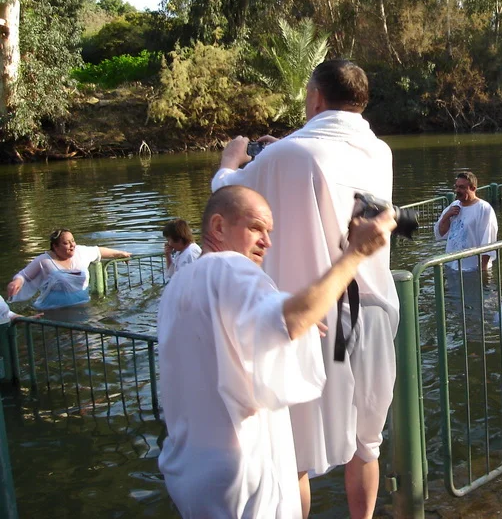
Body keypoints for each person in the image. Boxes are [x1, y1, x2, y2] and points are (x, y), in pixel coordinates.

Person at [211, 59, 398, 519]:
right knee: (367, 444)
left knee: (293, 453)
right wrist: (284, 149)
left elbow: (229, 198)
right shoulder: (380, 152)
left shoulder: (288, 156)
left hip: (316, 319)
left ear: (315, 97)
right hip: (372, 314)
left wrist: (229, 162)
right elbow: (322, 162)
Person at [158, 185, 395, 518]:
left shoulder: (178, 286)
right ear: (219, 227)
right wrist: (355, 253)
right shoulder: (229, 267)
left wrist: (290, 328)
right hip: (243, 479)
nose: (267, 242)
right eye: (256, 227)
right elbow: (291, 321)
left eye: (269, 231)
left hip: (193, 472)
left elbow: (226, 351)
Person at [6, 228, 131, 310]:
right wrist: (16, 282)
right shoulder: (45, 260)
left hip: (81, 307)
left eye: (73, 241)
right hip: (52, 310)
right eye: (66, 243)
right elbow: (24, 275)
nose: (72, 245)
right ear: (55, 247)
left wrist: (121, 253)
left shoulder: (81, 252)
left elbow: (99, 251)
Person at [434, 171, 499, 272]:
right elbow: (441, 232)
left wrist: (483, 270)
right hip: (451, 266)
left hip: (473, 268)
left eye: (462, 187)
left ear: (473, 188)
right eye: (456, 187)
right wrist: (446, 216)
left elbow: (488, 240)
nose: (457, 190)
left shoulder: (484, 209)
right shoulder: (453, 206)